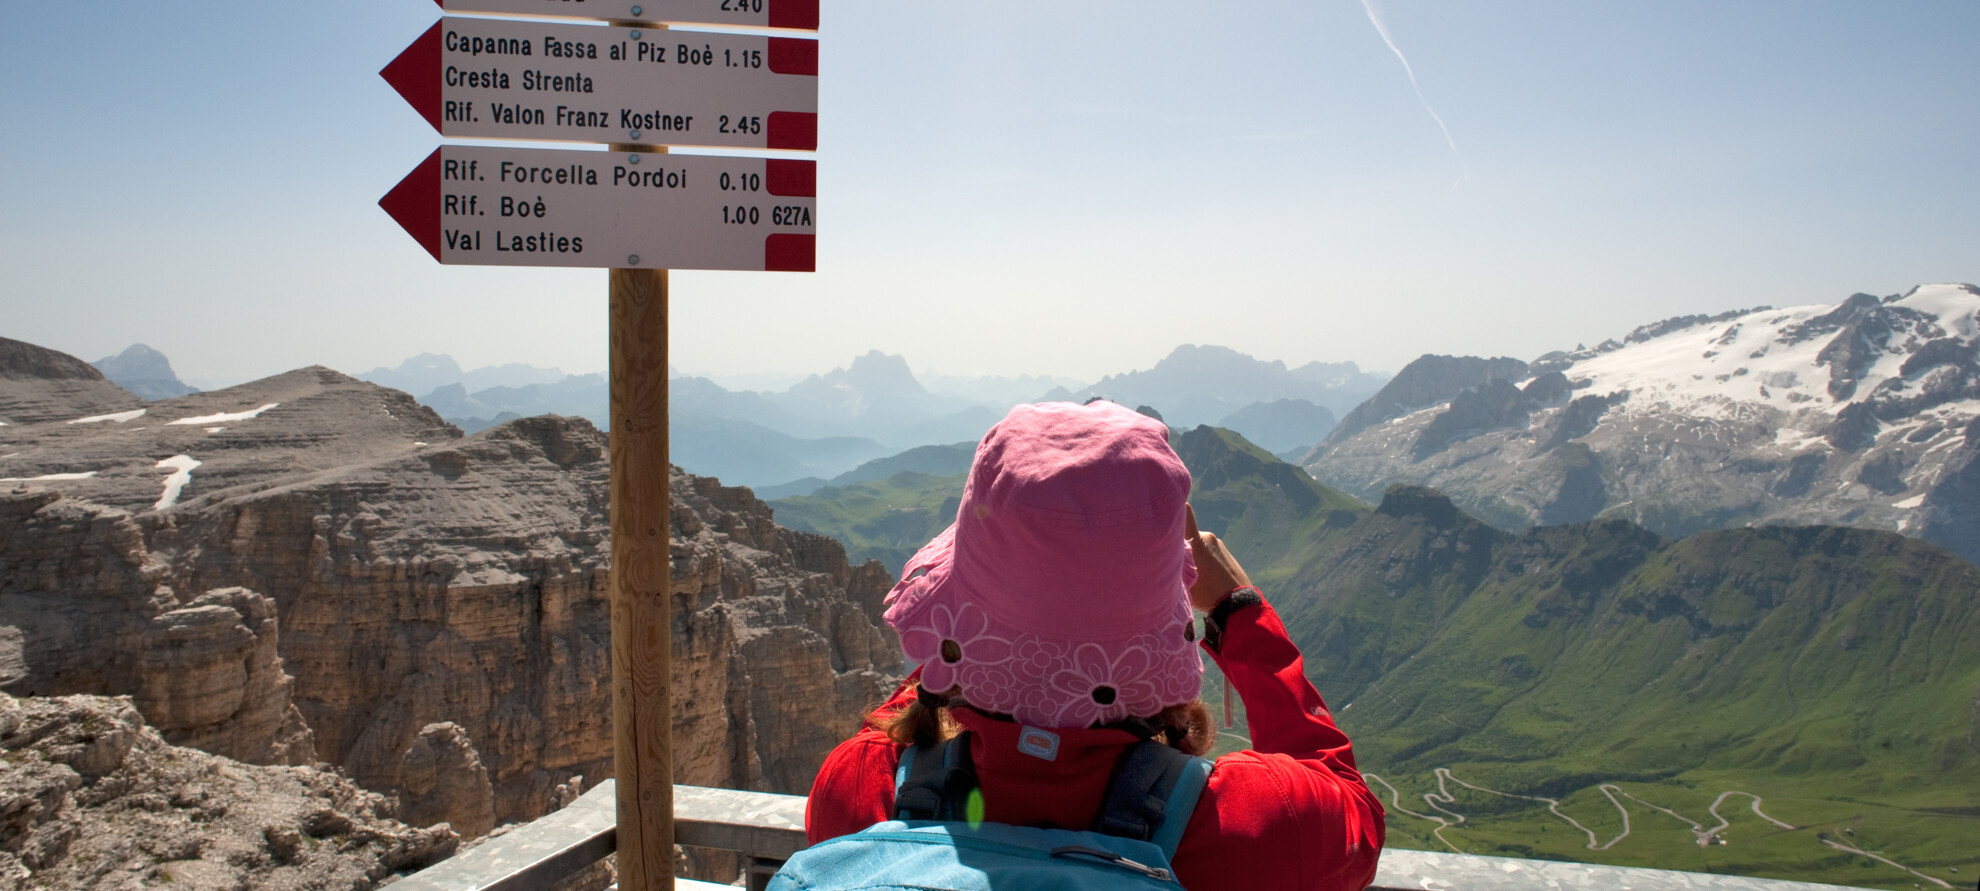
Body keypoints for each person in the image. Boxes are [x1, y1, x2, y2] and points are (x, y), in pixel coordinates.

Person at [803, 401, 1385, 891]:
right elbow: (1351, 805)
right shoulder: (1254, 824)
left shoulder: (860, 791)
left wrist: (967, 629)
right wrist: (1238, 609)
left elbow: (910, 711)